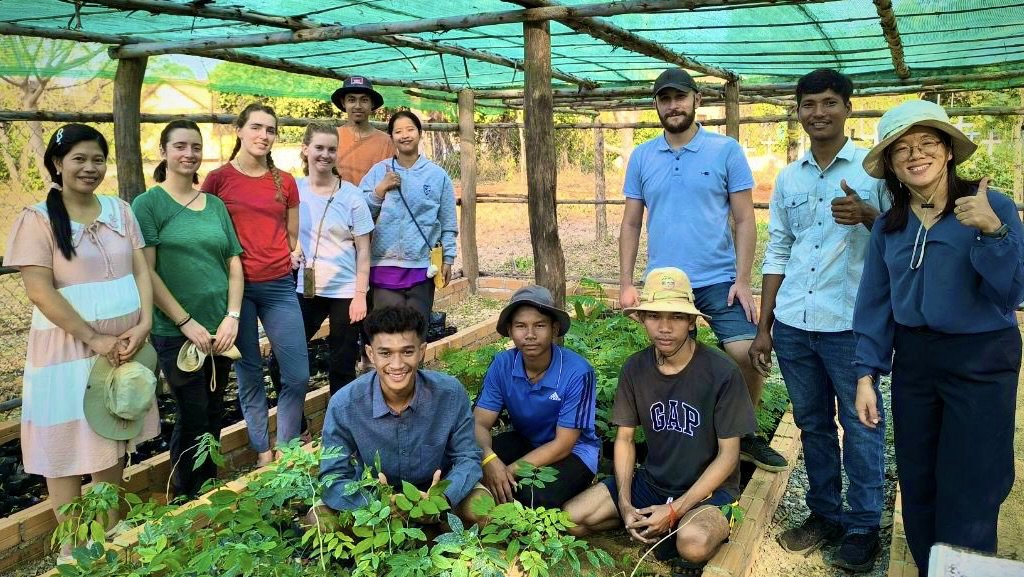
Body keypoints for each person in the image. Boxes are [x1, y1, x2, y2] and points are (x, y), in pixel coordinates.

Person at [853, 99, 1024, 576]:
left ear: (948, 150)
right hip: (916, 359)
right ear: (890, 164)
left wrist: (992, 232)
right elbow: (874, 301)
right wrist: (865, 373)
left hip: (981, 356)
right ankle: (934, 568)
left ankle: (967, 570)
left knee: (973, 482)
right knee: (919, 477)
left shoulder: (993, 206)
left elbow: (1013, 291)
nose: (915, 154)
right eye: (901, 148)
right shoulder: (891, 223)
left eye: (927, 142)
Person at [748, 69, 889, 571]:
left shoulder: (877, 173)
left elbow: (904, 240)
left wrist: (870, 216)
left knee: (862, 424)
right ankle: (825, 513)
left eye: (829, 102)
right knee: (812, 424)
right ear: (799, 111)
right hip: (793, 325)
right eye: (809, 104)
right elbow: (779, 250)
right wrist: (764, 327)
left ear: (849, 107)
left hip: (851, 325)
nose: (819, 113)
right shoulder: (790, 176)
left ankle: (863, 524)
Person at [618, 67, 786, 472]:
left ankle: (742, 434)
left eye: (679, 97)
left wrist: (743, 281)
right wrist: (626, 283)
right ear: (656, 105)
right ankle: (677, 434)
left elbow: (745, 220)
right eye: (664, 99)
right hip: (665, 284)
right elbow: (630, 222)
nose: (672, 105)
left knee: (746, 353)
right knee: (666, 356)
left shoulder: (725, 150)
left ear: (697, 100)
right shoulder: (642, 156)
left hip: (717, 278)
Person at [5, 124, 157, 541]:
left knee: (112, 433)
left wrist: (144, 322)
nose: (90, 168)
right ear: (57, 164)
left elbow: (142, 268)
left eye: (97, 159)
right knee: (65, 444)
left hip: (122, 345)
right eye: (79, 159)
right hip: (67, 350)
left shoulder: (120, 210)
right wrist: (93, 338)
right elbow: (38, 291)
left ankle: (108, 535)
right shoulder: (36, 219)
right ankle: (74, 546)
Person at [564, 268, 756, 577]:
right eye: (654, 316)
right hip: (651, 483)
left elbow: (728, 455)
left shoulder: (722, 372)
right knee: (570, 518)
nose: (664, 328)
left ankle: (681, 525)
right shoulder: (635, 369)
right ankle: (642, 519)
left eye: (676, 317)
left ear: (692, 321)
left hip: (706, 493)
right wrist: (625, 503)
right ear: (641, 318)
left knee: (693, 544)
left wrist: (676, 509)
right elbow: (624, 439)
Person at [131, 120, 244, 497]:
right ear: (163, 151)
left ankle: (210, 487)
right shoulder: (148, 205)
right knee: (192, 412)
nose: (189, 154)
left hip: (220, 329)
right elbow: (146, 270)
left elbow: (233, 263)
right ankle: (184, 493)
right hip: (176, 331)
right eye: (180, 146)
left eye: (195, 147)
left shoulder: (214, 205)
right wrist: (184, 321)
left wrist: (232, 316)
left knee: (215, 411)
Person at [202, 102, 309, 466]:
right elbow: (208, 232)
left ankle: (289, 447)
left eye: (270, 130)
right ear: (239, 130)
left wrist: (285, 254)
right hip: (238, 289)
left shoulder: (286, 182)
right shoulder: (218, 180)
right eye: (257, 127)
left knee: (297, 373)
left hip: (279, 285)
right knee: (249, 372)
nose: (264, 135)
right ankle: (263, 449)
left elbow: (292, 232)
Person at [315, 305, 487, 524]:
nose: (396, 365)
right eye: (385, 353)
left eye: (407, 352)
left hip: (437, 489)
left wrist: (441, 497)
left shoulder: (450, 394)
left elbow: (468, 457)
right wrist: (374, 504)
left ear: (422, 351)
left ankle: (447, 537)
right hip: (372, 499)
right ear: (370, 354)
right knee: (321, 522)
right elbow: (332, 477)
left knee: (481, 507)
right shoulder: (345, 404)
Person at [473, 285, 599, 508]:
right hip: (527, 442)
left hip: (573, 452)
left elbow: (563, 444)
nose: (530, 335)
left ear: (554, 329)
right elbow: (479, 423)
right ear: (510, 331)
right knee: (468, 462)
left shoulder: (578, 372)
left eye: (539, 325)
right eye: (521, 326)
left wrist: (506, 472)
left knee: (535, 497)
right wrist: (489, 460)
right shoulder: (503, 364)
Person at [294, 123, 374, 394]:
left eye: (331, 149)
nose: (325, 155)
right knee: (287, 356)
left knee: (341, 363)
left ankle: (339, 427)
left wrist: (360, 294)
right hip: (306, 287)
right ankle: (298, 426)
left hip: (344, 290)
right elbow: (283, 230)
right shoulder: (294, 191)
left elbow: (364, 249)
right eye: (319, 148)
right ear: (305, 150)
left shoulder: (351, 195)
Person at [360, 110, 457, 332]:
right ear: (391, 137)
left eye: (410, 129)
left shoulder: (437, 175)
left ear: (420, 133)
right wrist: (380, 190)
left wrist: (448, 259)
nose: (405, 135)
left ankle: (416, 368)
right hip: (384, 264)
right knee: (387, 334)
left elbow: (448, 223)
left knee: (416, 333)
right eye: (398, 131)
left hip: (422, 266)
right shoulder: (378, 172)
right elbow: (359, 215)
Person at [331, 75, 396, 186]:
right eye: (351, 100)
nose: (358, 106)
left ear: (372, 104)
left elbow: (391, 180)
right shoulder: (332, 137)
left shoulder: (386, 142)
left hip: (374, 201)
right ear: (343, 103)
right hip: (337, 201)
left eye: (364, 100)